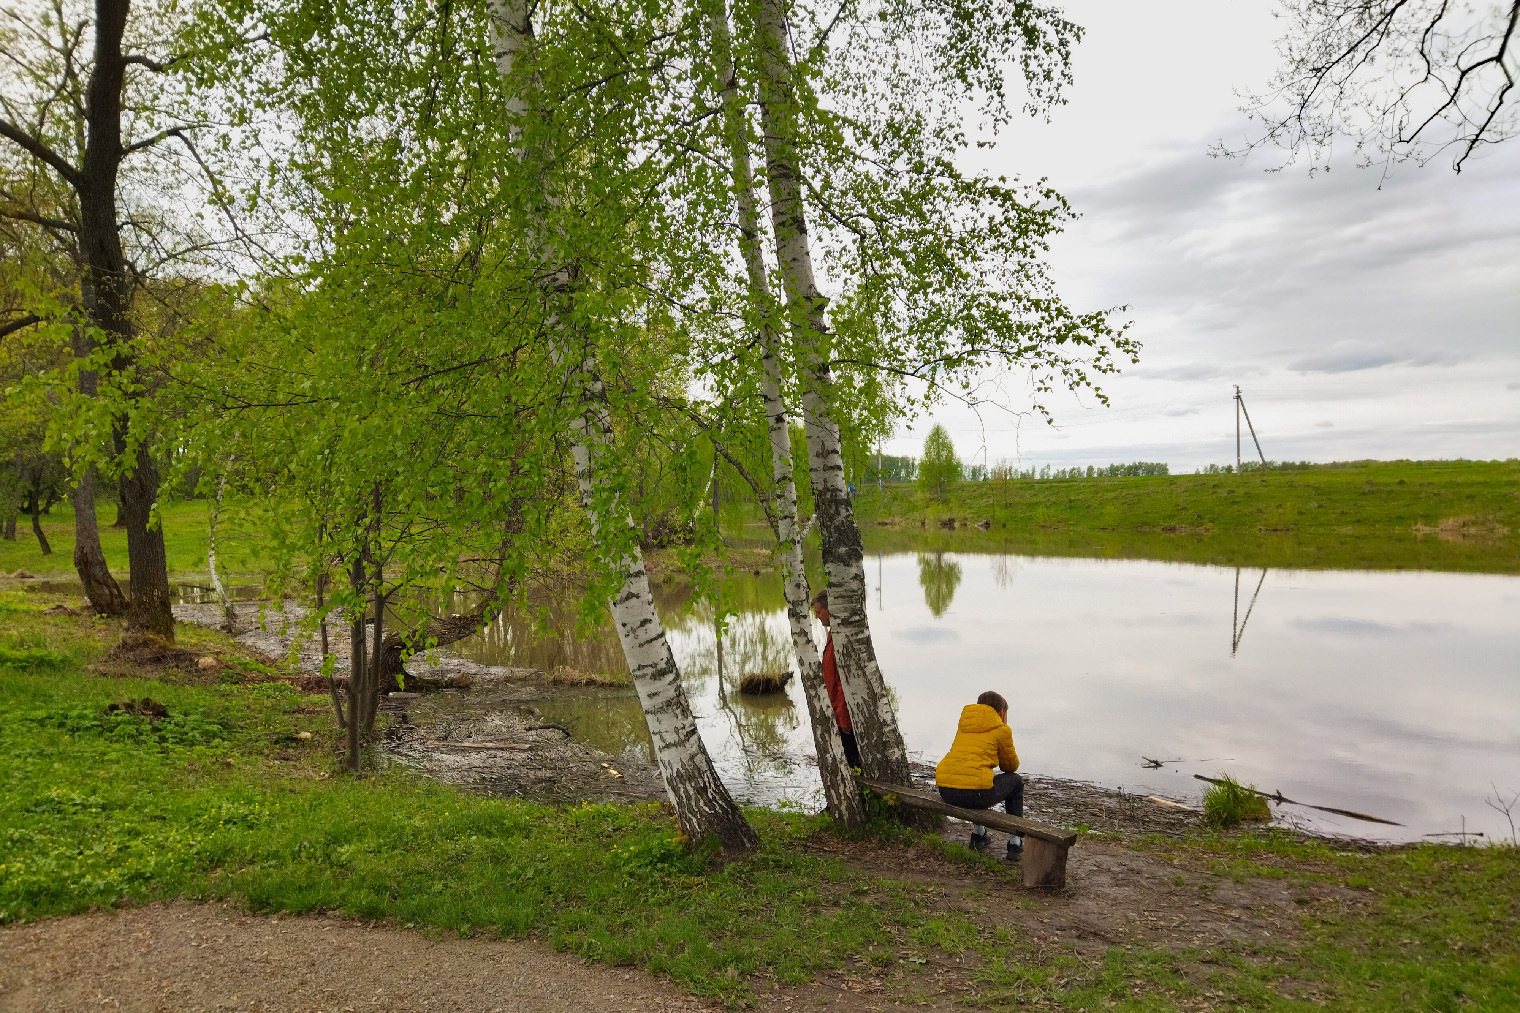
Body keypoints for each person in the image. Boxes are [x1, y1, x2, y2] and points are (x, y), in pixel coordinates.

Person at [934, 690, 1024, 860]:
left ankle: (979, 834)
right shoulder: (1002, 730)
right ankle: (1015, 842)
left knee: (979, 779)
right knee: (1015, 782)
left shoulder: (964, 727)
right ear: (1001, 713)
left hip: (946, 791)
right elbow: (1010, 767)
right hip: (974, 794)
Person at [811, 589, 863, 769]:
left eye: (819, 612)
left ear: (830, 609)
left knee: (852, 762)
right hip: (838, 711)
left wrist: (844, 719)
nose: (817, 617)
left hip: (845, 716)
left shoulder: (841, 639)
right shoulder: (833, 634)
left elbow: (843, 684)